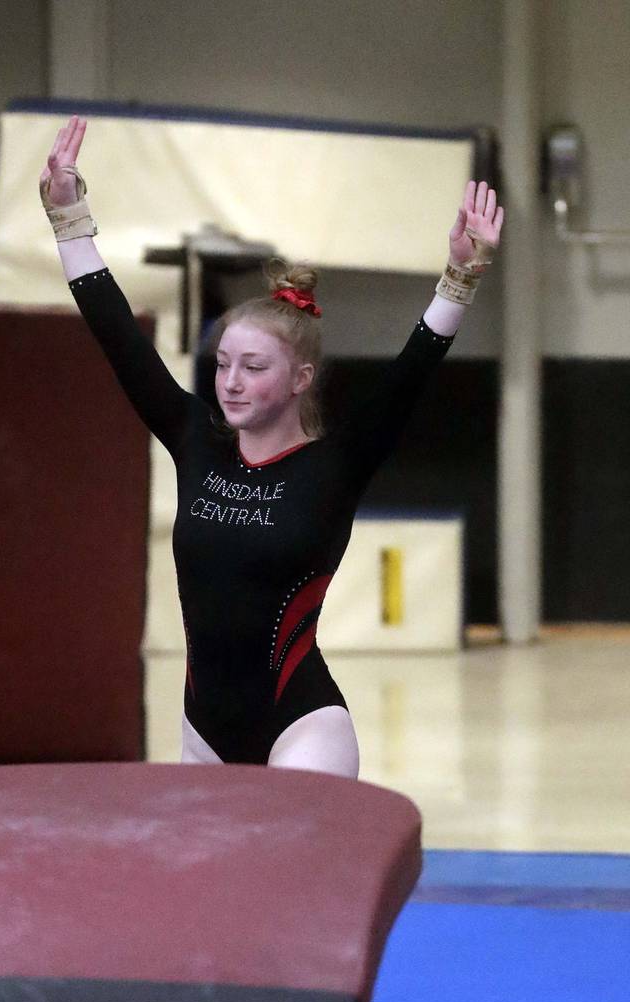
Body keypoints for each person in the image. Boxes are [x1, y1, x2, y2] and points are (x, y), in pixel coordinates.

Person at [40, 115, 504, 779]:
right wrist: (69, 218)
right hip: (203, 727)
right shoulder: (196, 438)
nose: (229, 381)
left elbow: (412, 372)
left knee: (296, 881)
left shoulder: (334, 464)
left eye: (253, 367)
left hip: (302, 727)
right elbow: (118, 337)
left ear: (300, 378)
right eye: (223, 363)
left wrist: (461, 274)